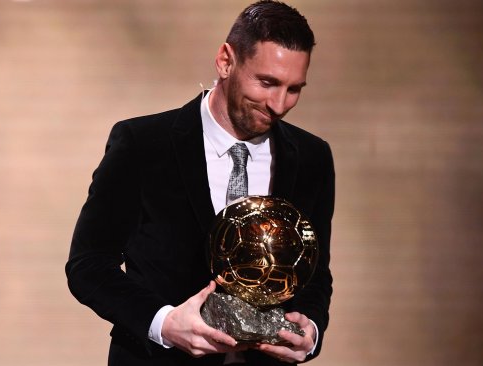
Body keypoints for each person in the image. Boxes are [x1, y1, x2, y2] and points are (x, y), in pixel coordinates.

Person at [65, 1, 334, 365]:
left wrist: (311, 332)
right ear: (226, 60)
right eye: (267, 82)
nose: (279, 104)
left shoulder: (312, 157)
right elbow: (88, 264)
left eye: (293, 89)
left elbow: (315, 274)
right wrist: (164, 323)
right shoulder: (142, 144)